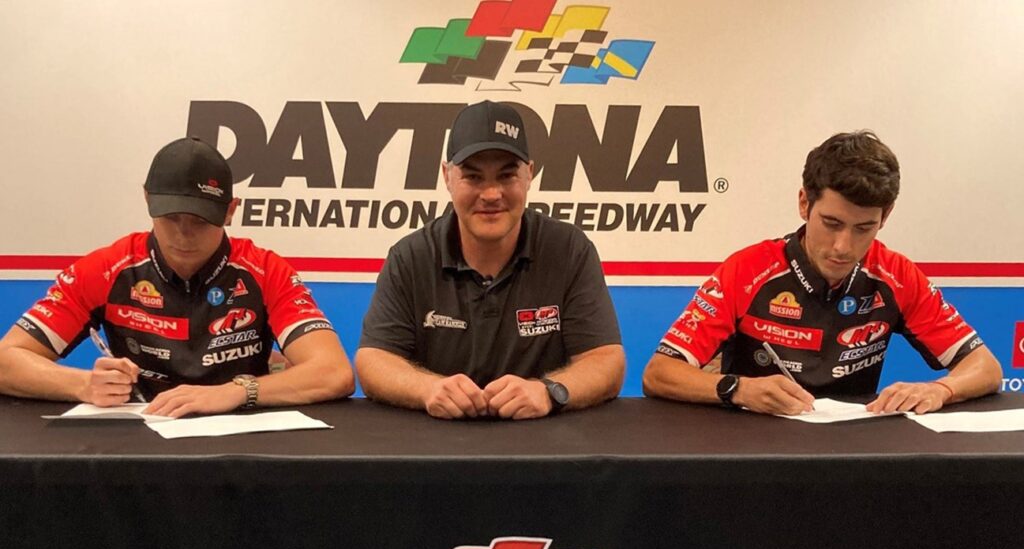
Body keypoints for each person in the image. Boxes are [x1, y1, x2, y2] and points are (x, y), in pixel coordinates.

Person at [642, 131, 1002, 415]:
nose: (843, 246)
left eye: (864, 228)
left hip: (850, 457)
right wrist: (737, 388)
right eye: (831, 223)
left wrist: (939, 390)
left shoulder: (897, 276)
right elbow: (659, 372)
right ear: (804, 203)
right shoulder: (747, 270)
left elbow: (986, 367)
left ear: (884, 217)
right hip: (753, 452)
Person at [0, 137, 354, 416]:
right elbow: (6, 360)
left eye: (200, 220)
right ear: (147, 199)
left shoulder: (266, 270)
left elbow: (335, 372)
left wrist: (236, 392)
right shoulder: (106, 268)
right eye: (171, 217)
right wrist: (82, 384)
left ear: (230, 211)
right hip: (139, 441)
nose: (184, 235)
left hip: (242, 441)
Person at [356, 101, 624, 419]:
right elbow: (373, 359)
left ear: (529, 175)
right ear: (447, 176)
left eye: (507, 175)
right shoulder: (410, 257)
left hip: (547, 451)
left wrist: (548, 390)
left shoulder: (569, 250)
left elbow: (607, 360)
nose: (492, 193)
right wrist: (427, 389)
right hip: (435, 452)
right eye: (473, 177)